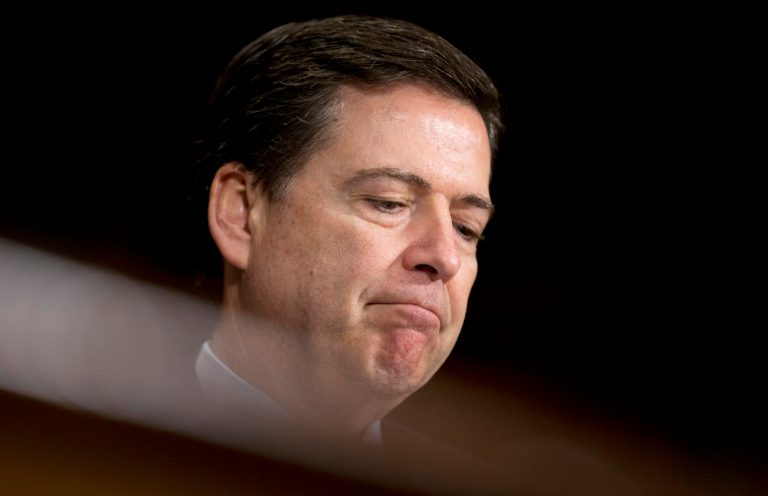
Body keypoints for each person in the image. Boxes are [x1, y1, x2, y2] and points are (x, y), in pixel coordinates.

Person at [192, 14, 503, 456]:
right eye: (388, 202)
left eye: (465, 227)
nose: (444, 256)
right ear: (241, 215)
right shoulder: (92, 454)